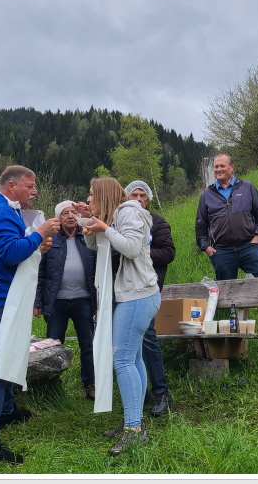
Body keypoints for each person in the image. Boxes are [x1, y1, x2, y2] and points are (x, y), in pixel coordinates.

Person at [0, 165, 61, 464]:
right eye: (30, 186)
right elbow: (9, 253)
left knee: (9, 355)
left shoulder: (0, 209)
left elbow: (11, 250)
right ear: (11, 186)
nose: (35, 191)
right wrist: (39, 234)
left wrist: (36, 247)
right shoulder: (0, 212)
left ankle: (7, 412)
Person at [79, 177, 161, 456]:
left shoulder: (129, 212)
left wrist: (105, 227)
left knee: (122, 360)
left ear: (103, 195)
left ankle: (133, 429)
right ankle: (135, 420)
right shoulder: (115, 215)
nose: (88, 199)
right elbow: (94, 246)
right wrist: (91, 222)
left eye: (91, 194)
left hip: (138, 295)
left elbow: (132, 248)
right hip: (134, 294)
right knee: (133, 359)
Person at [195, 154, 258, 332]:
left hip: (248, 246)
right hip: (222, 251)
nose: (218, 169)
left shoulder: (246, 187)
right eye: (216, 167)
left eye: (222, 166)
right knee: (226, 291)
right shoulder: (207, 194)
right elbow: (201, 224)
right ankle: (228, 327)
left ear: (232, 167)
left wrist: (257, 237)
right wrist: (205, 246)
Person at [34, 200, 97, 401]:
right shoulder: (50, 239)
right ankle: (53, 386)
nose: (70, 216)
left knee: (88, 344)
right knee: (52, 346)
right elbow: (39, 273)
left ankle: (90, 384)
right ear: (58, 218)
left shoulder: (88, 236)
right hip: (56, 302)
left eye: (73, 212)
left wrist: (98, 299)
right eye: (65, 213)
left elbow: (98, 269)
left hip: (84, 300)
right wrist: (37, 302)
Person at [124, 180, 175, 416]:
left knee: (147, 337)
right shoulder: (121, 221)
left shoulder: (157, 222)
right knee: (128, 344)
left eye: (142, 195)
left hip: (147, 288)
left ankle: (161, 392)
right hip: (125, 290)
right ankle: (139, 392)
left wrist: (139, 250)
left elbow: (168, 253)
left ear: (148, 199)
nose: (137, 199)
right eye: (133, 194)